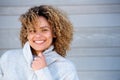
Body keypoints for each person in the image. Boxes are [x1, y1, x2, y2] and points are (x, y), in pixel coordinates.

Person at [0, 5, 79, 80]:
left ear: (55, 33)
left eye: (44, 30)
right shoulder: (8, 58)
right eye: (32, 30)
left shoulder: (66, 68)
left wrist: (42, 72)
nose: (38, 35)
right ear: (26, 34)